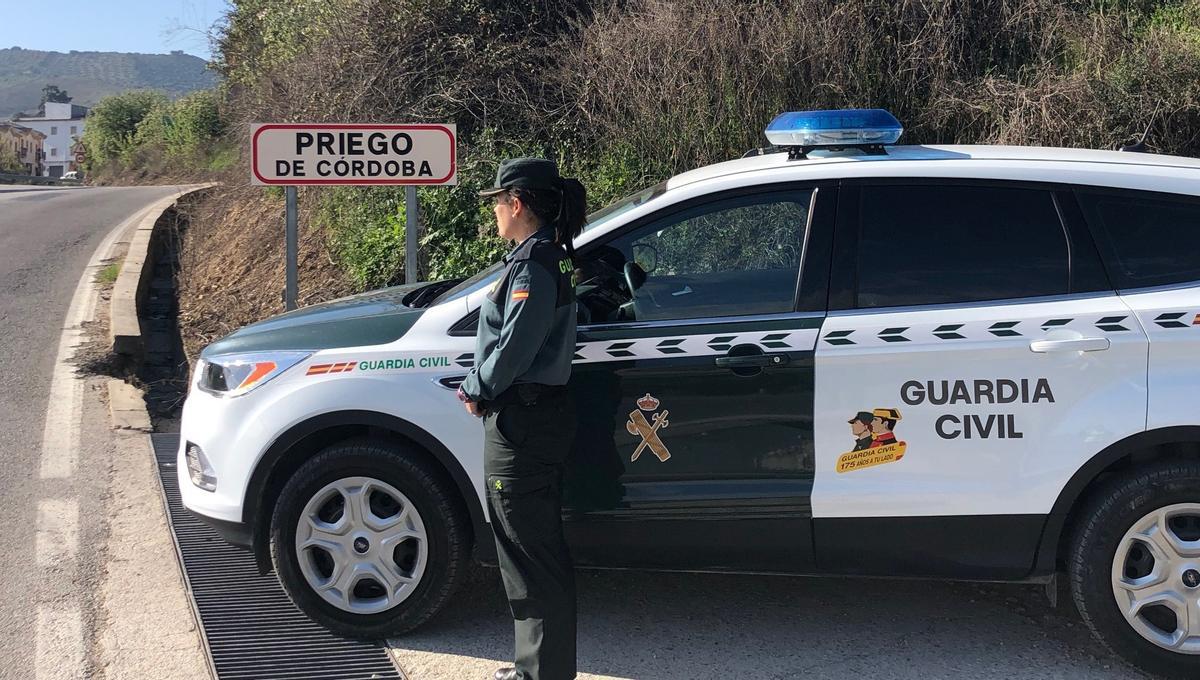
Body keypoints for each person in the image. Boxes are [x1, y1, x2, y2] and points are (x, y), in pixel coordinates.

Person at [457, 157, 587, 680]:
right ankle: (538, 668)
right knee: (530, 551)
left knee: (529, 554)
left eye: (496, 202)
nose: (493, 211)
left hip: (523, 422)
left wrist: (477, 386)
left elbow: (516, 344)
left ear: (516, 204)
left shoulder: (534, 264)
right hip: (535, 419)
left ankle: (541, 674)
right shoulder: (547, 256)